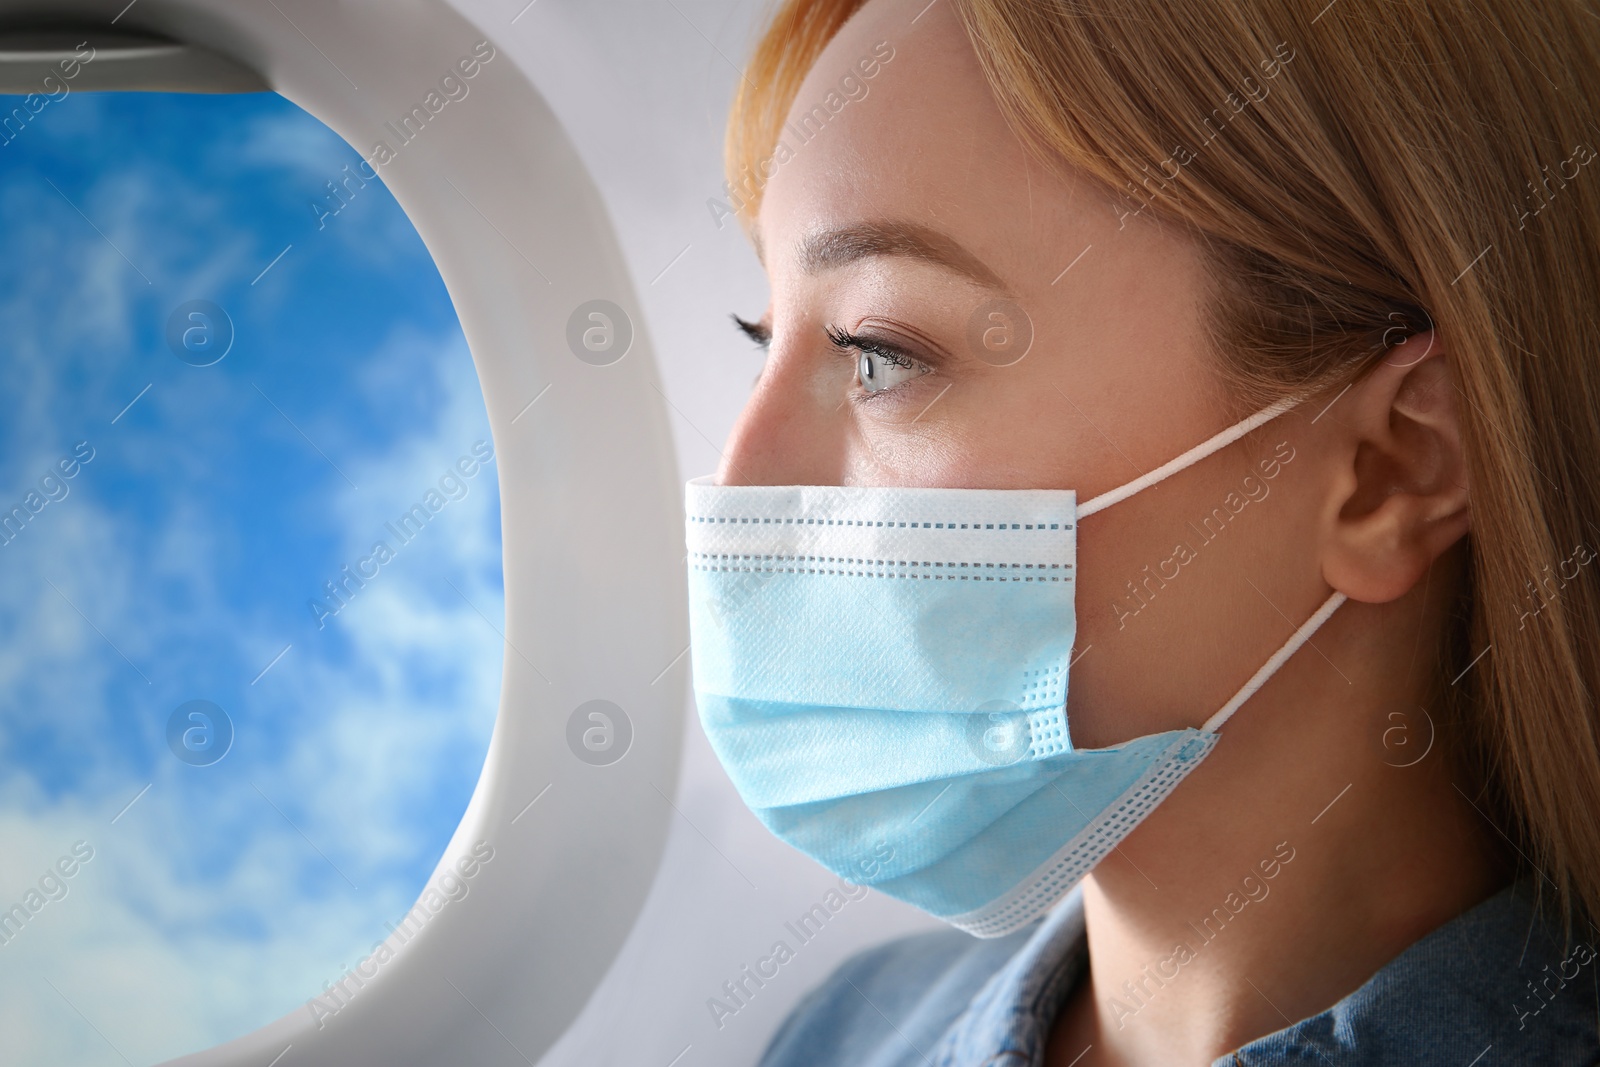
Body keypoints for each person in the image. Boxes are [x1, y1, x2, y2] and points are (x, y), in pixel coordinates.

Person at [684, 0, 1600, 1063]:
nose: (739, 480)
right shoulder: (848, 1032)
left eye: (881, 350)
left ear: (1390, 470)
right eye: (765, 343)